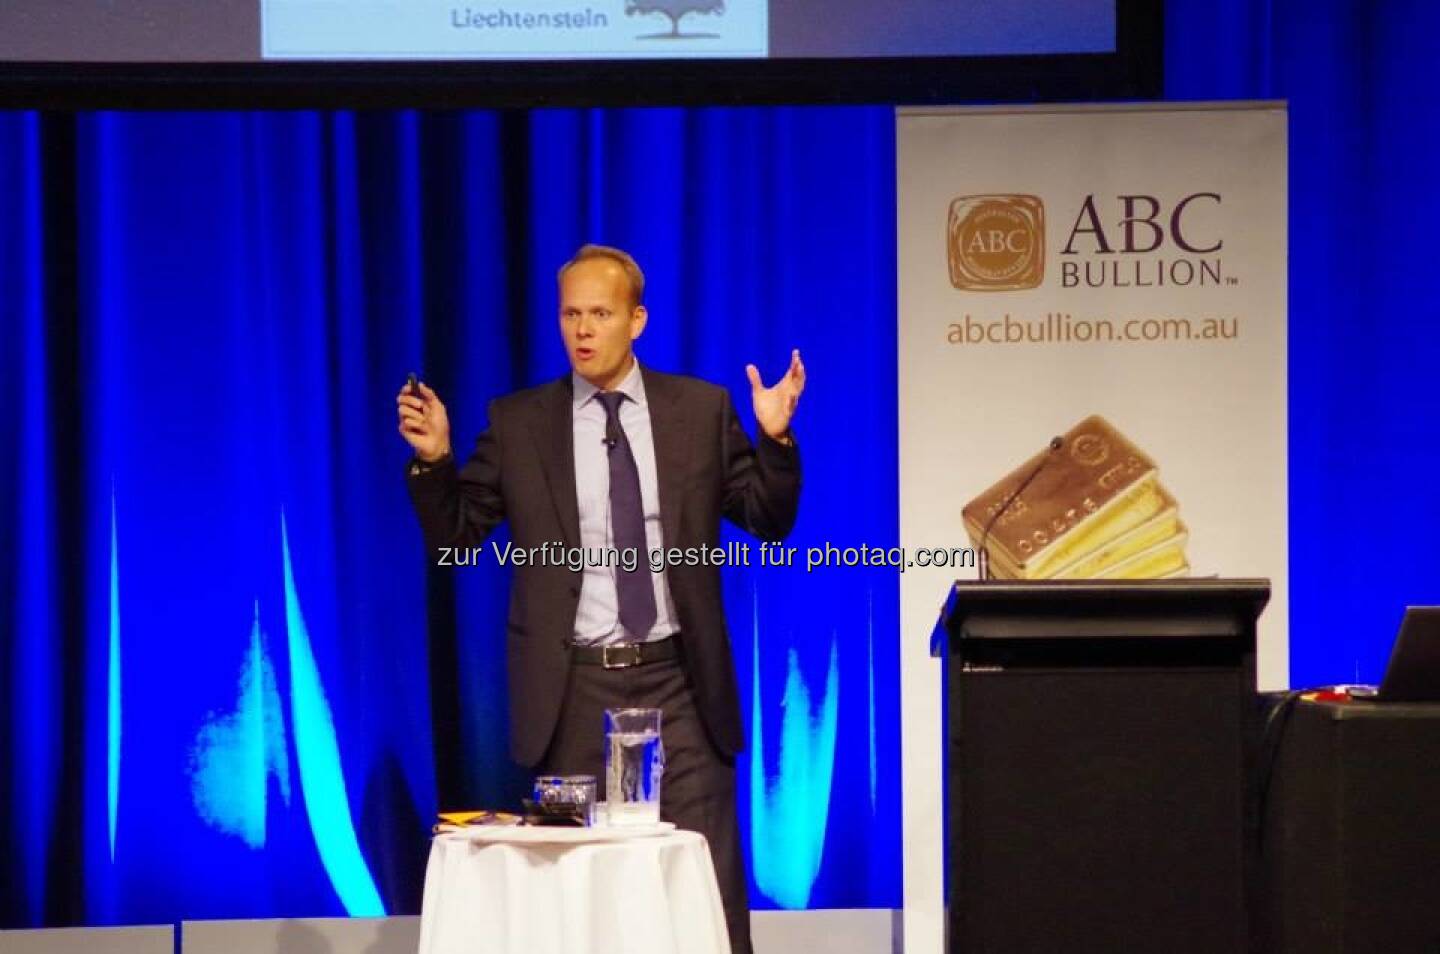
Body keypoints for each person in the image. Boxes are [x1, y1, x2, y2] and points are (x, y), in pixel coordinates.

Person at [396, 244, 805, 954]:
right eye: (571, 314)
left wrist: (775, 438)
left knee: (704, 895)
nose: (583, 330)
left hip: (681, 686)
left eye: (601, 313)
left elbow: (768, 519)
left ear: (637, 320)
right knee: (581, 908)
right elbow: (460, 540)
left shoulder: (698, 410)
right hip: (573, 693)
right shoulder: (520, 422)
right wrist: (435, 462)